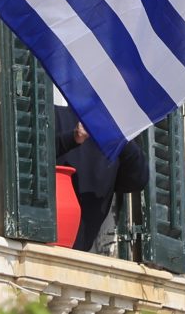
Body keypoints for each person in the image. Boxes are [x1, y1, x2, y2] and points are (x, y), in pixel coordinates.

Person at [54, 102, 149, 252]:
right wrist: (73, 138)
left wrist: (122, 140)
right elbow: (34, 157)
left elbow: (137, 181)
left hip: (81, 254)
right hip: (43, 245)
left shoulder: (120, 138)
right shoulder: (54, 114)